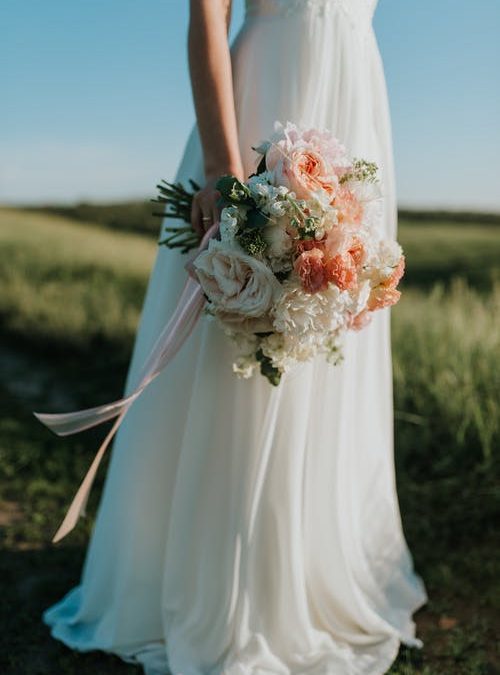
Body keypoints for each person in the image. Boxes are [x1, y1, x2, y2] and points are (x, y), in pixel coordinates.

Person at [43, 1, 428, 673]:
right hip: (262, 112)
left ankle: (310, 563)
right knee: (237, 342)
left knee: (332, 329)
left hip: (356, 107)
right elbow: (206, 15)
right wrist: (226, 167)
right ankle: (228, 576)